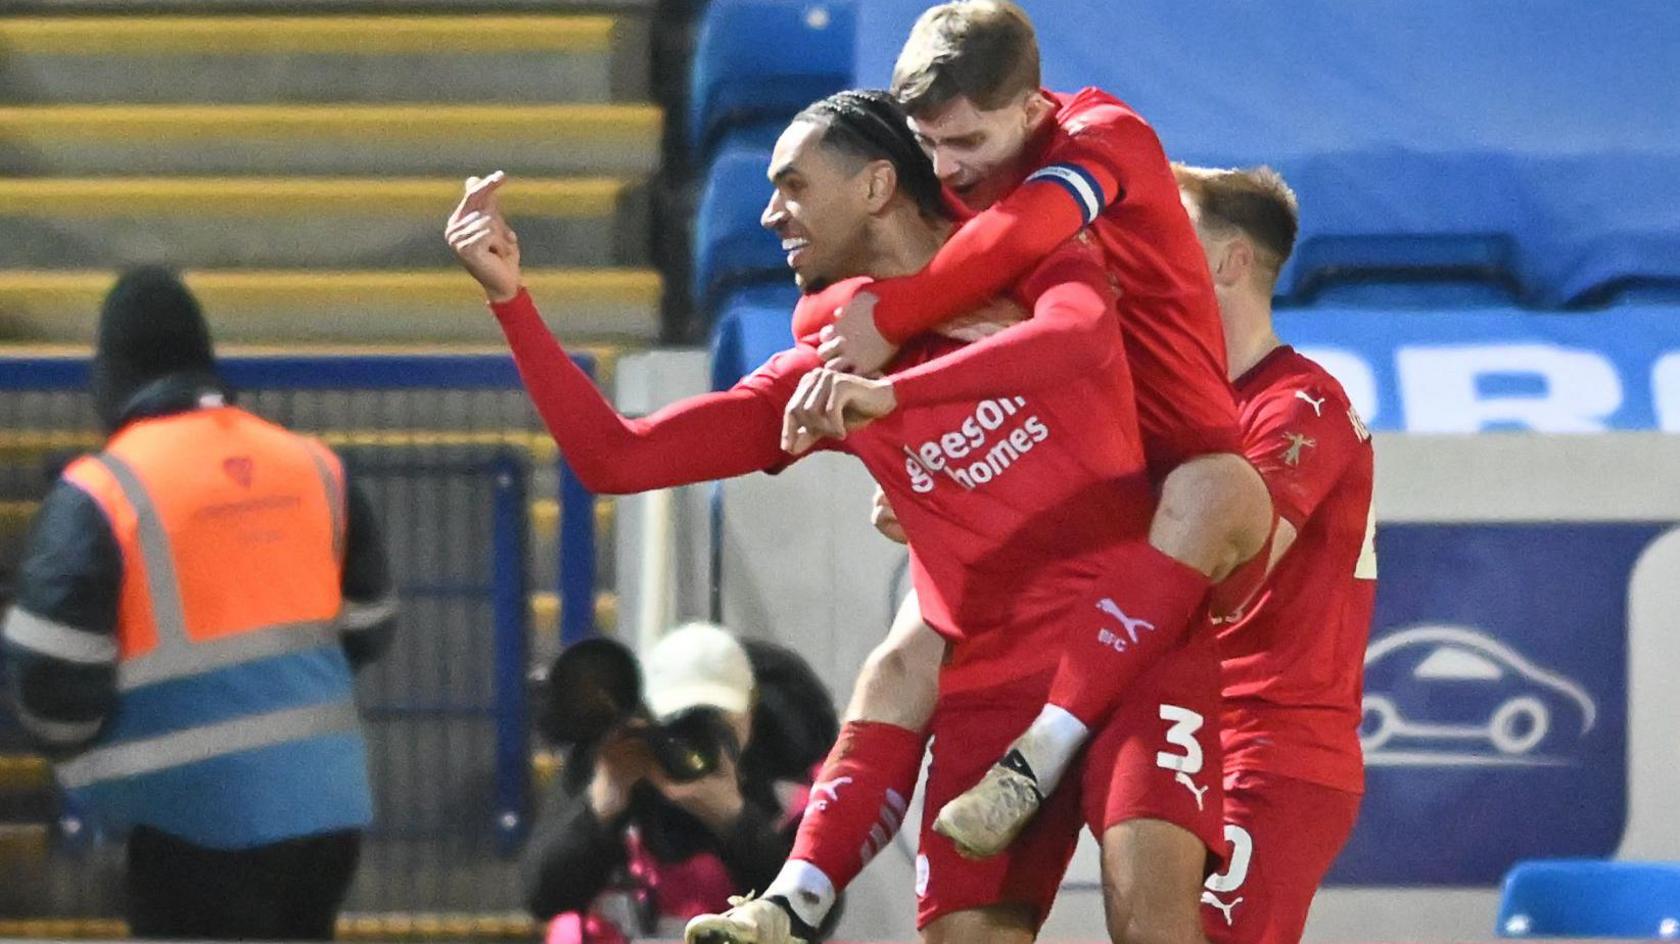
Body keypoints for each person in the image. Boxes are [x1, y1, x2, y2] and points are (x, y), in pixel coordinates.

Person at [450, 88, 1224, 944]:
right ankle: (799, 892)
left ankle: (799, 892)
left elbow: (1078, 334)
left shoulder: (1035, 268)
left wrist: (889, 385)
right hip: (992, 682)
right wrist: (511, 301)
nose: (773, 214)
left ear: (878, 184)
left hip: (1135, 651)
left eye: (793, 186)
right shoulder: (818, 372)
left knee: (1151, 918)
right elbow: (617, 458)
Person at [803, 0, 1275, 854]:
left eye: (967, 144)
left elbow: (1024, 238)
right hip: (1077, 492)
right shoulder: (955, 170)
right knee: (910, 646)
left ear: (1031, 109)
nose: (947, 167)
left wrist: (900, 314)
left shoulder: (1102, 138)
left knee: (1213, 488)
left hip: (1180, 480)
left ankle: (1040, 755)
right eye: (930, 144)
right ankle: (798, 890)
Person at [0, 268, 397, 941]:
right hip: (326, 813)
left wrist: (87, 760)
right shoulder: (312, 465)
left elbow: (48, 680)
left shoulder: (103, 491)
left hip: (191, 821)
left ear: (111, 378)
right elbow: (370, 626)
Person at [1172, 164, 1376, 943]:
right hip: (1182, 732)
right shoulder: (1175, 400)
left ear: (1229, 263)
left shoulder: (1303, 404)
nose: (1142, 256)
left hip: (1273, 744)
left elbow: (1230, 566)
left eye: (1168, 238)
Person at [522, 622, 841, 943]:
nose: (695, 739)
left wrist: (735, 820)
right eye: (680, 722)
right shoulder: (615, 768)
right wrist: (604, 807)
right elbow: (542, 898)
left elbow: (817, 915)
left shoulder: (784, 790)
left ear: (750, 710)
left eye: (714, 721)